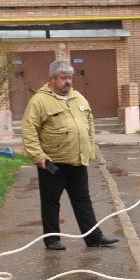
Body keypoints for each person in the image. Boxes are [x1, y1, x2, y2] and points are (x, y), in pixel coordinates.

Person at [21, 59, 120, 251]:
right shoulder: (39, 101)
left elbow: (89, 125)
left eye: (70, 78)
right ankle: (52, 239)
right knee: (51, 202)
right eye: (63, 78)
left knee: (82, 200)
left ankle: (93, 237)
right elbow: (29, 130)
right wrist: (38, 156)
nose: (68, 82)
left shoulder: (79, 98)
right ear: (51, 79)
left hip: (78, 160)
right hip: (53, 162)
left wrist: (90, 150)